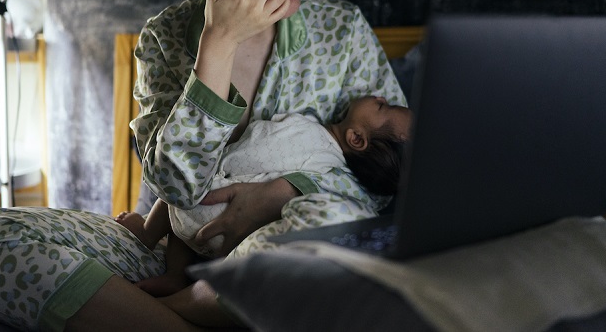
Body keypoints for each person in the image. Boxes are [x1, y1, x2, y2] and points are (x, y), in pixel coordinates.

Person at [0, 0, 405, 331]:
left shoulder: (341, 30)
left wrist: (283, 192)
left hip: (291, 249)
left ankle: (161, 315)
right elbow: (176, 186)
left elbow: (391, 183)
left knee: (338, 226)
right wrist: (218, 47)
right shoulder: (165, 39)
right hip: (176, 252)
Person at [117, 95, 413, 295]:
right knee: (194, 193)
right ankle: (178, 275)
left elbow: (252, 145)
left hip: (203, 202)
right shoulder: (334, 175)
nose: (381, 97)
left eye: (383, 107)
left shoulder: (307, 133)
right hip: (224, 243)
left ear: (357, 139)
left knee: (185, 173)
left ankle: (146, 232)